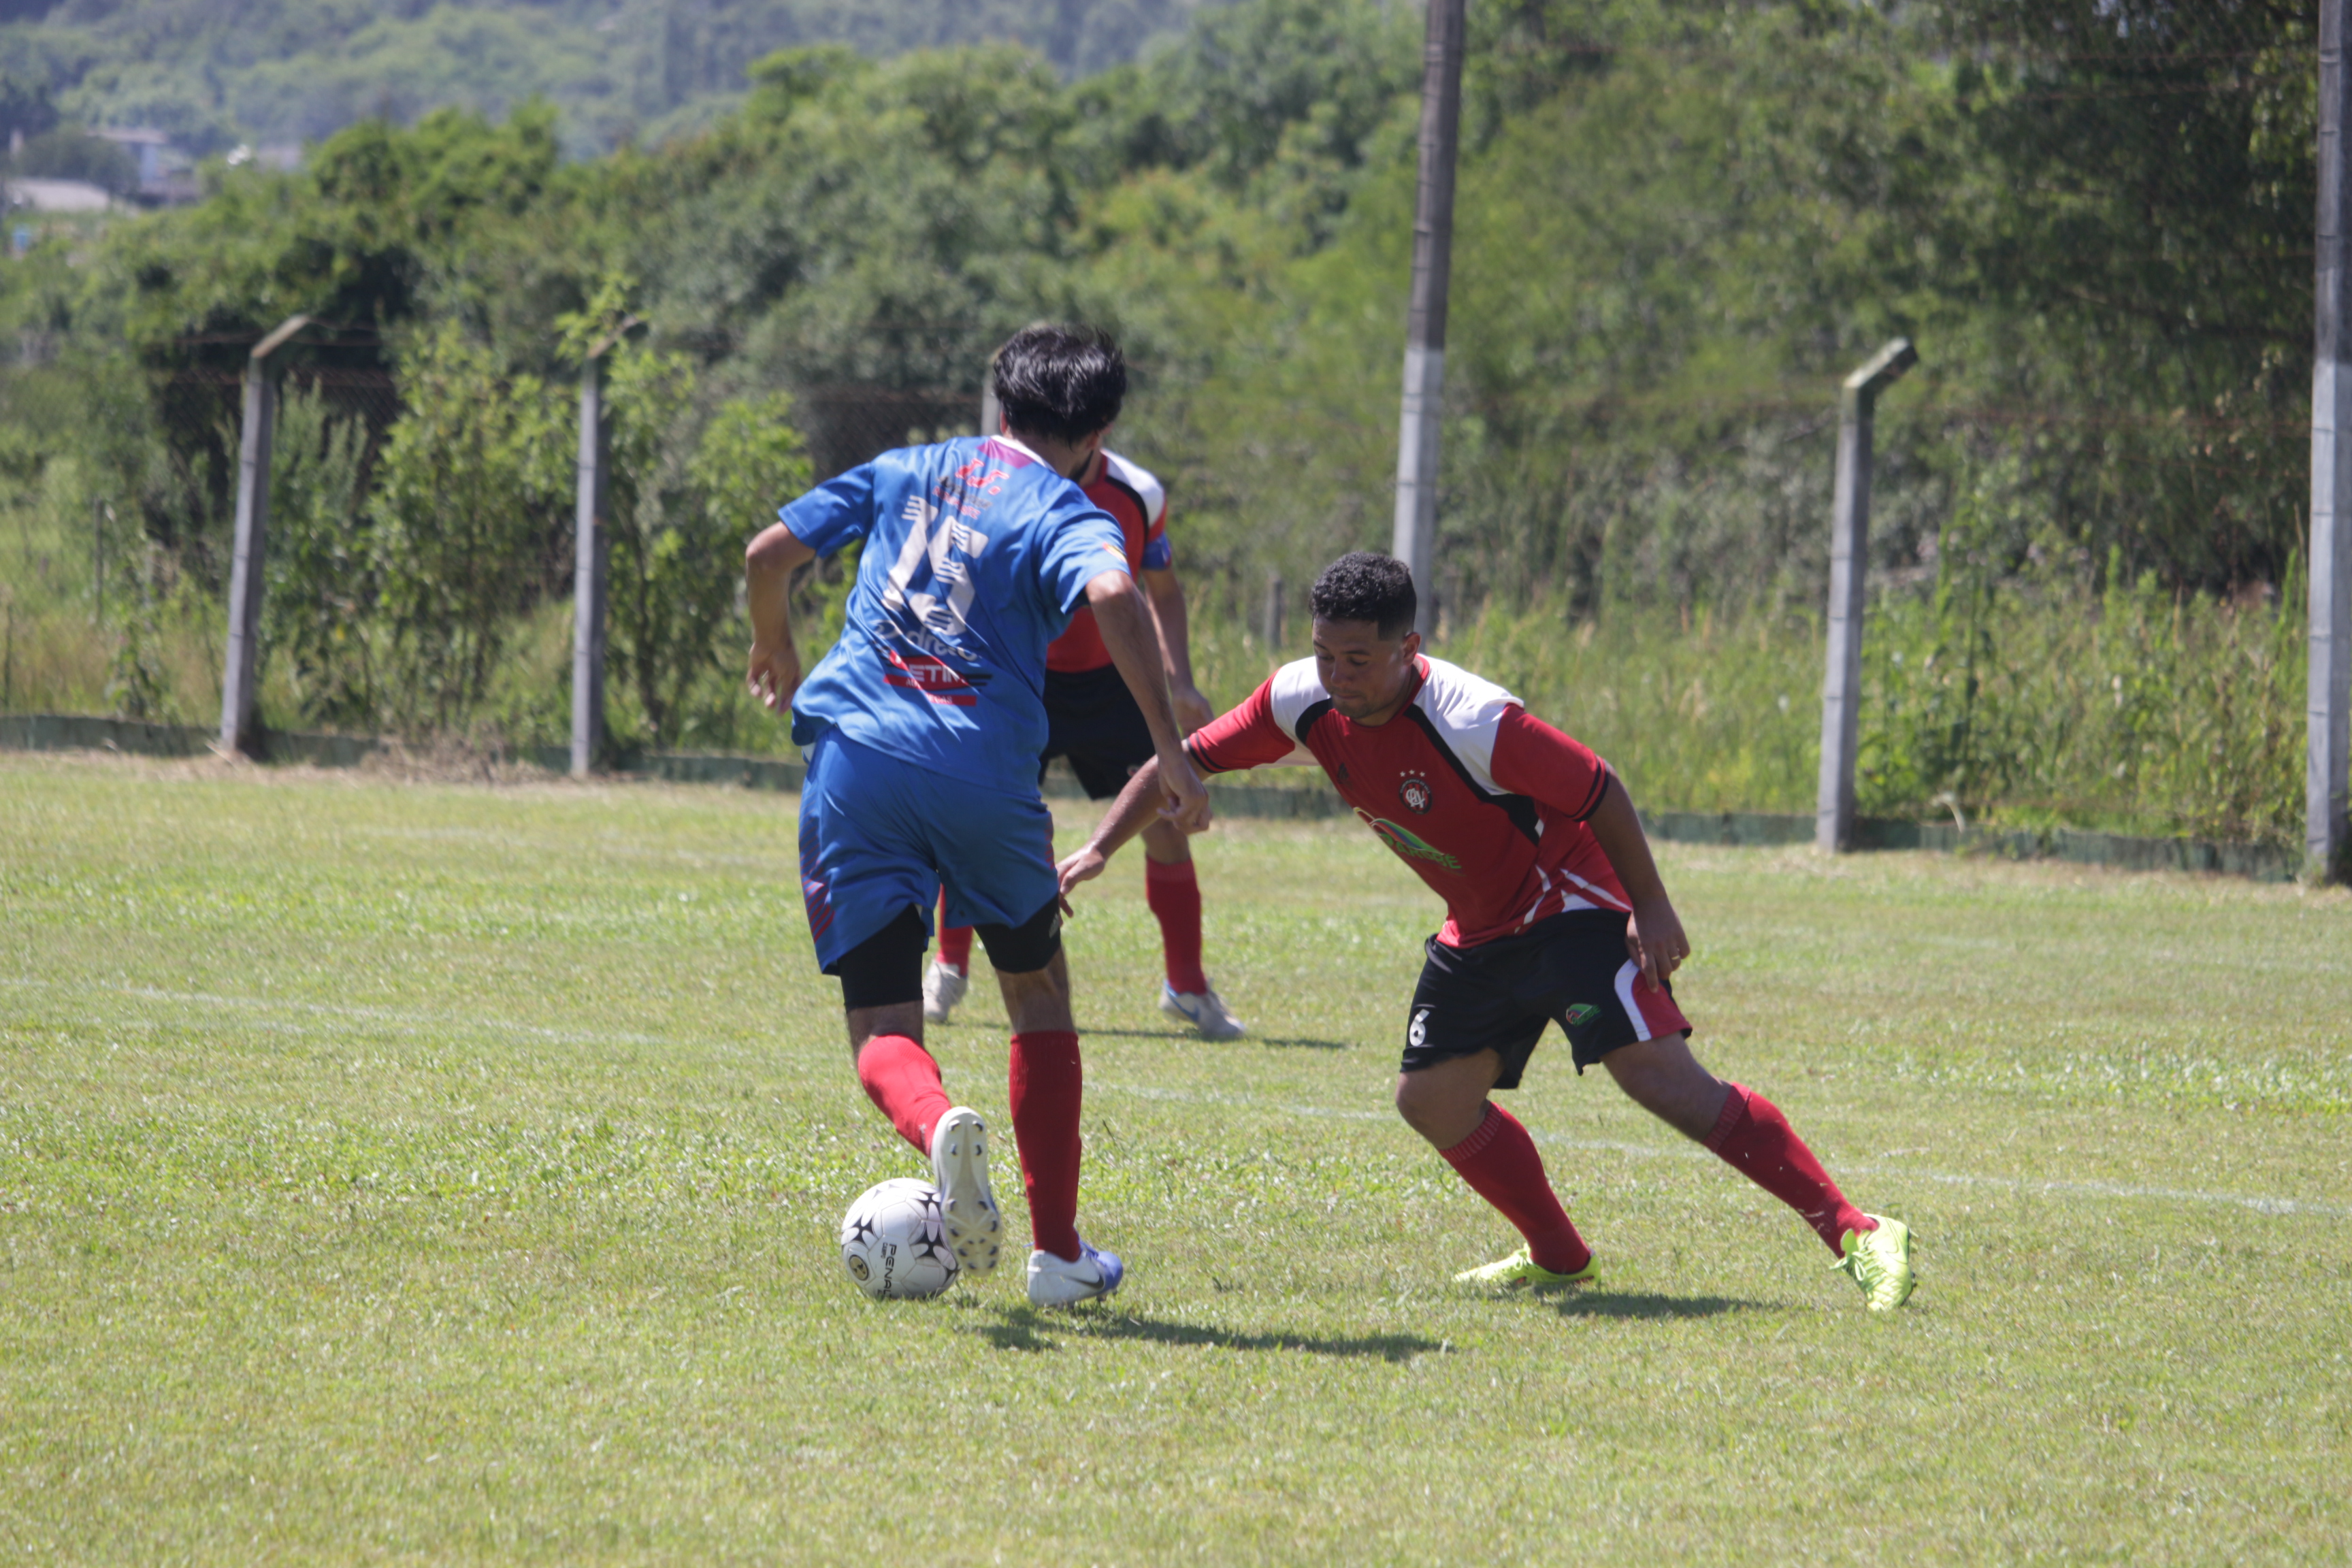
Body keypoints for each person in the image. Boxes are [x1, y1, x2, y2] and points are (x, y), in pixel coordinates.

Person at [1056, 551, 1918, 1311]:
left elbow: (1598, 787)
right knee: (1429, 1100)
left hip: (1573, 903)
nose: (1338, 675)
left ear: (1409, 648)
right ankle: (1559, 1260)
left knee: (1659, 1079)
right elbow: (1187, 759)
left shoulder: (1474, 720)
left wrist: (1651, 906)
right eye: (1325, 653)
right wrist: (1098, 848)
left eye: (1360, 659)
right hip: (1481, 927)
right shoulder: (1300, 699)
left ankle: (1858, 1229)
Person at [745, 324, 1209, 1308]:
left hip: (855, 757)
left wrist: (776, 647)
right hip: (982, 772)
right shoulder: (1071, 507)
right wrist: (1169, 749)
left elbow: (768, 553)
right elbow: (1117, 590)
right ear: (1100, 432)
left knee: (879, 1021)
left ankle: (936, 1121)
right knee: (1038, 992)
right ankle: (1057, 1255)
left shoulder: (910, 465)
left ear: (1002, 405)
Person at [924, 439, 1243, 1040]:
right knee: (974, 817)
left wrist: (1181, 680)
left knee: (1166, 820)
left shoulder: (1137, 492)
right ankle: (949, 967)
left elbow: (1164, 592)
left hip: (1111, 681)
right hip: (1023, 674)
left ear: (1095, 429)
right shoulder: (993, 481)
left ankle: (1187, 985)